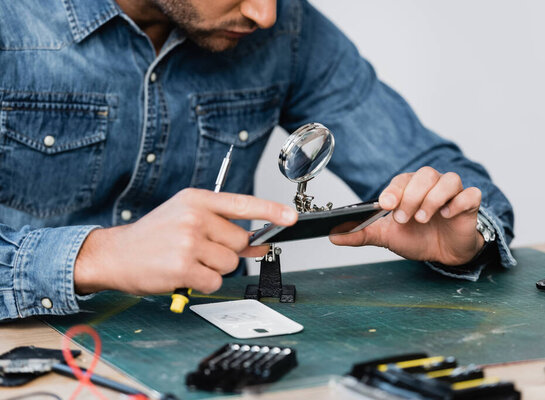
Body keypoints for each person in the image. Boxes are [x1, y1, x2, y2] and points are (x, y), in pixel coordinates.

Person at [0, 0, 515, 321]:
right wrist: (96, 256)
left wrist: (463, 236)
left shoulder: (287, 28)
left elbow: (441, 170)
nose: (265, 13)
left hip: (204, 352)